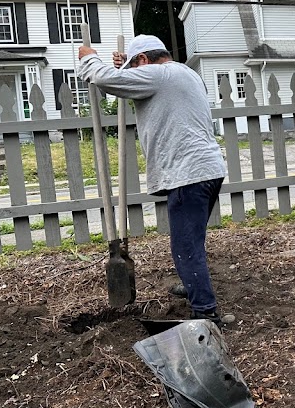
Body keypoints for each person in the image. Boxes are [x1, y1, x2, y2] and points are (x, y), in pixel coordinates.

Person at [77, 34, 233, 326]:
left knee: (185, 247)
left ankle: (205, 311)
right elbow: (135, 80)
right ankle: (194, 284)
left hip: (188, 174)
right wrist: (127, 66)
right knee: (192, 240)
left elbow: (105, 79)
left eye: (135, 67)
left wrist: (89, 57)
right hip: (208, 169)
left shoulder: (159, 75)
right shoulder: (184, 73)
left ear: (144, 60)